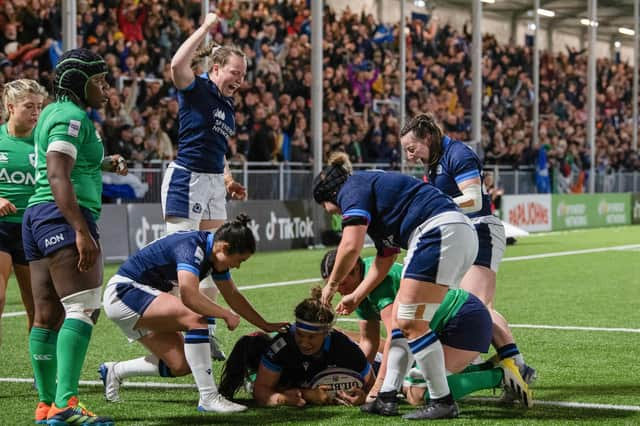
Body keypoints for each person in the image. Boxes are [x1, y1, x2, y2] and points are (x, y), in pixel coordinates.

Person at [313, 152, 477, 420]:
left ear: (330, 194)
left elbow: (350, 246)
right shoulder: (373, 196)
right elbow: (385, 259)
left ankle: (442, 400)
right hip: (454, 232)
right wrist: (356, 295)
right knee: (403, 323)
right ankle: (386, 396)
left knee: (412, 323)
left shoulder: (351, 188)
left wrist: (330, 287)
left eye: (326, 206)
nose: (331, 212)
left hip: (436, 232)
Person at [22, 48, 127, 425]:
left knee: (46, 315)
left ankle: (47, 405)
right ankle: (66, 402)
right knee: (83, 308)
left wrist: (102, 162)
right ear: (76, 83)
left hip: (36, 216)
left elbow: (67, 161)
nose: (105, 87)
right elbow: (57, 174)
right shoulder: (71, 115)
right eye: (98, 80)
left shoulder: (51, 112)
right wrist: (81, 229)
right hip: (63, 216)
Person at [399, 113, 536, 401]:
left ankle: (518, 368)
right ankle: (508, 364)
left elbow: (473, 200)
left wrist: (435, 205)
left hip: (480, 229)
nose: (409, 155)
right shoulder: (434, 161)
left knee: (476, 305)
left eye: (412, 148)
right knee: (470, 303)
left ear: (427, 138)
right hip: (461, 233)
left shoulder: (457, 154)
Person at [99, 214, 288, 413]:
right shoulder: (192, 247)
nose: (238, 266)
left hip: (139, 298)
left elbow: (233, 295)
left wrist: (265, 324)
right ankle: (208, 397)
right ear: (223, 247)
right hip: (125, 292)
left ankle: (115, 371)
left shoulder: (213, 254)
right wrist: (225, 314)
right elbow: (189, 296)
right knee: (197, 319)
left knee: (181, 364)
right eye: (239, 260)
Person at [319, 250, 532, 410]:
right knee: (413, 383)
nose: (338, 287)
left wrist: (379, 389)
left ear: (355, 268)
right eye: (332, 283)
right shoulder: (358, 287)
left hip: (462, 319)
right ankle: (488, 367)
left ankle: (500, 376)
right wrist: (361, 381)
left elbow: (396, 336)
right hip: (444, 326)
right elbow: (369, 342)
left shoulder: (374, 280)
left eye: (341, 280)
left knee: (417, 392)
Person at [162, 12, 247, 360]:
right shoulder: (197, 89)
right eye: (234, 73)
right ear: (215, 68)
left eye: (243, 75)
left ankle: (204, 331)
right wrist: (205, 28)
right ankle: (156, 322)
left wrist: (227, 178)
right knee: (180, 265)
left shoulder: (227, 106)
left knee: (215, 260)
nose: (239, 80)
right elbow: (176, 64)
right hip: (187, 180)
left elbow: (218, 149)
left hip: (213, 184)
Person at [218, 287, 375, 407]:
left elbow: (373, 385)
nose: (305, 343)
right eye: (300, 334)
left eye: (312, 337)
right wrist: (290, 398)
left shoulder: (344, 347)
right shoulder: (282, 346)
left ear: (326, 333)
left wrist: (363, 396)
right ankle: (252, 375)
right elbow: (261, 393)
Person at [0, 79, 47, 343]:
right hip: (1, 226)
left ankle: (39, 374)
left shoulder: (44, 142)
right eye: (29, 106)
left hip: (33, 228)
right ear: (10, 107)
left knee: (38, 309)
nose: (36, 113)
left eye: (39, 107)